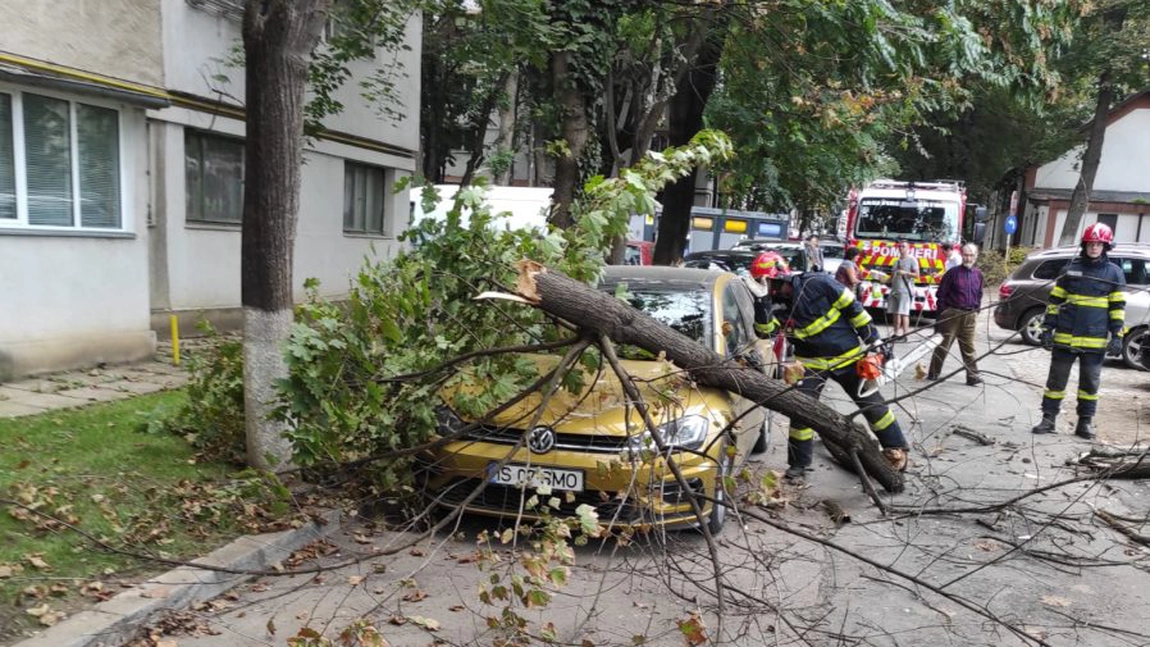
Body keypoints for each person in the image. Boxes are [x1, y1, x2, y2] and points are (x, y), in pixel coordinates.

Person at [766, 263, 910, 481]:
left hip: (847, 356)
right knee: (800, 411)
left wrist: (874, 340)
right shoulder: (770, 303)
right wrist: (760, 303)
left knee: (872, 404)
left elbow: (855, 310)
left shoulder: (819, 283)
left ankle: (896, 448)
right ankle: (798, 465)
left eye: (767, 282)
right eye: (761, 284)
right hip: (810, 363)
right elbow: (764, 332)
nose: (767, 287)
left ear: (780, 278)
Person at [1031, 223, 1125, 439]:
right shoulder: (1070, 270)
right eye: (1091, 243)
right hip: (1065, 337)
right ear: (1085, 244)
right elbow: (1055, 302)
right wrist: (1047, 329)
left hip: (1095, 341)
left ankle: (1085, 423)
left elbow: (1117, 309)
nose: (1094, 247)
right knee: (1056, 381)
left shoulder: (1114, 273)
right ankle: (1048, 419)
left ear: (1105, 246)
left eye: (1098, 244)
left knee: (1089, 384)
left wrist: (1118, 335)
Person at [927, 243, 984, 385]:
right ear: (961, 255)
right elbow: (941, 294)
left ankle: (972, 376)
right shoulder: (952, 273)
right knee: (943, 346)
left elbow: (979, 294)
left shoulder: (978, 274)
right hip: (952, 314)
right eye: (966, 254)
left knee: (969, 347)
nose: (968, 258)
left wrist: (977, 309)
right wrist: (943, 314)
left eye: (971, 255)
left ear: (976, 256)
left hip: (970, 315)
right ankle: (934, 373)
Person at [887, 239, 919, 340]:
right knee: (895, 313)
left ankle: (905, 335)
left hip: (905, 290)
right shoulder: (896, 261)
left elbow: (917, 275)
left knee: (904, 313)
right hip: (895, 290)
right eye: (899, 246)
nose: (901, 248)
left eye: (903, 246)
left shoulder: (912, 259)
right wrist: (881, 278)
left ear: (908, 248)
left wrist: (905, 273)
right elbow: (891, 277)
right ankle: (896, 334)